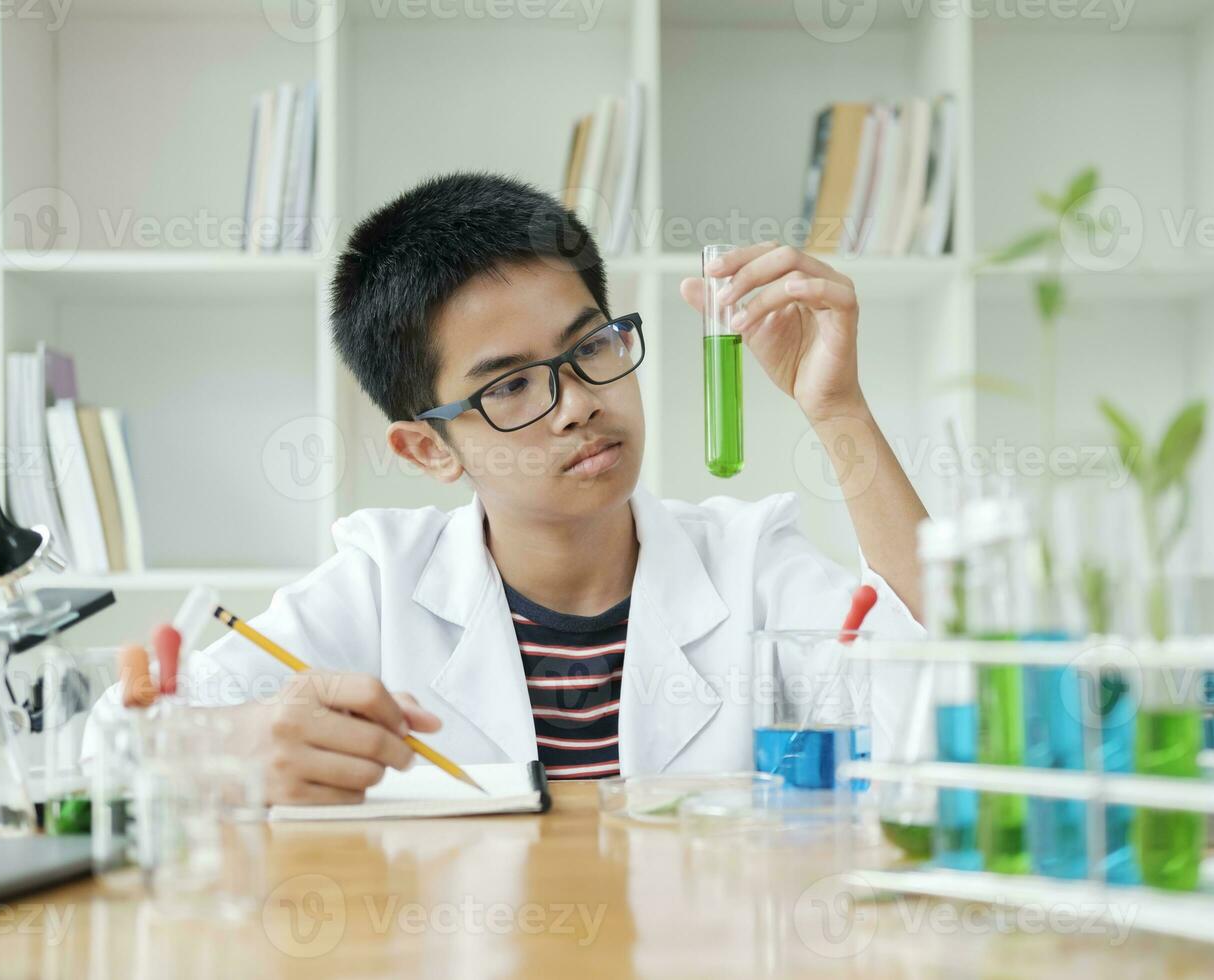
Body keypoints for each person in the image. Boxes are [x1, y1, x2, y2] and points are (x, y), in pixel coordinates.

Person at [197, 173, 928, 804]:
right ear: (428, 449)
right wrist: (232, 749)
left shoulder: (748, 563)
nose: (580, 402)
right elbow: (106, 744)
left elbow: (942, 714)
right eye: (511, 385)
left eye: (593, 346)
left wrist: (840, 409)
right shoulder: (377, 587)